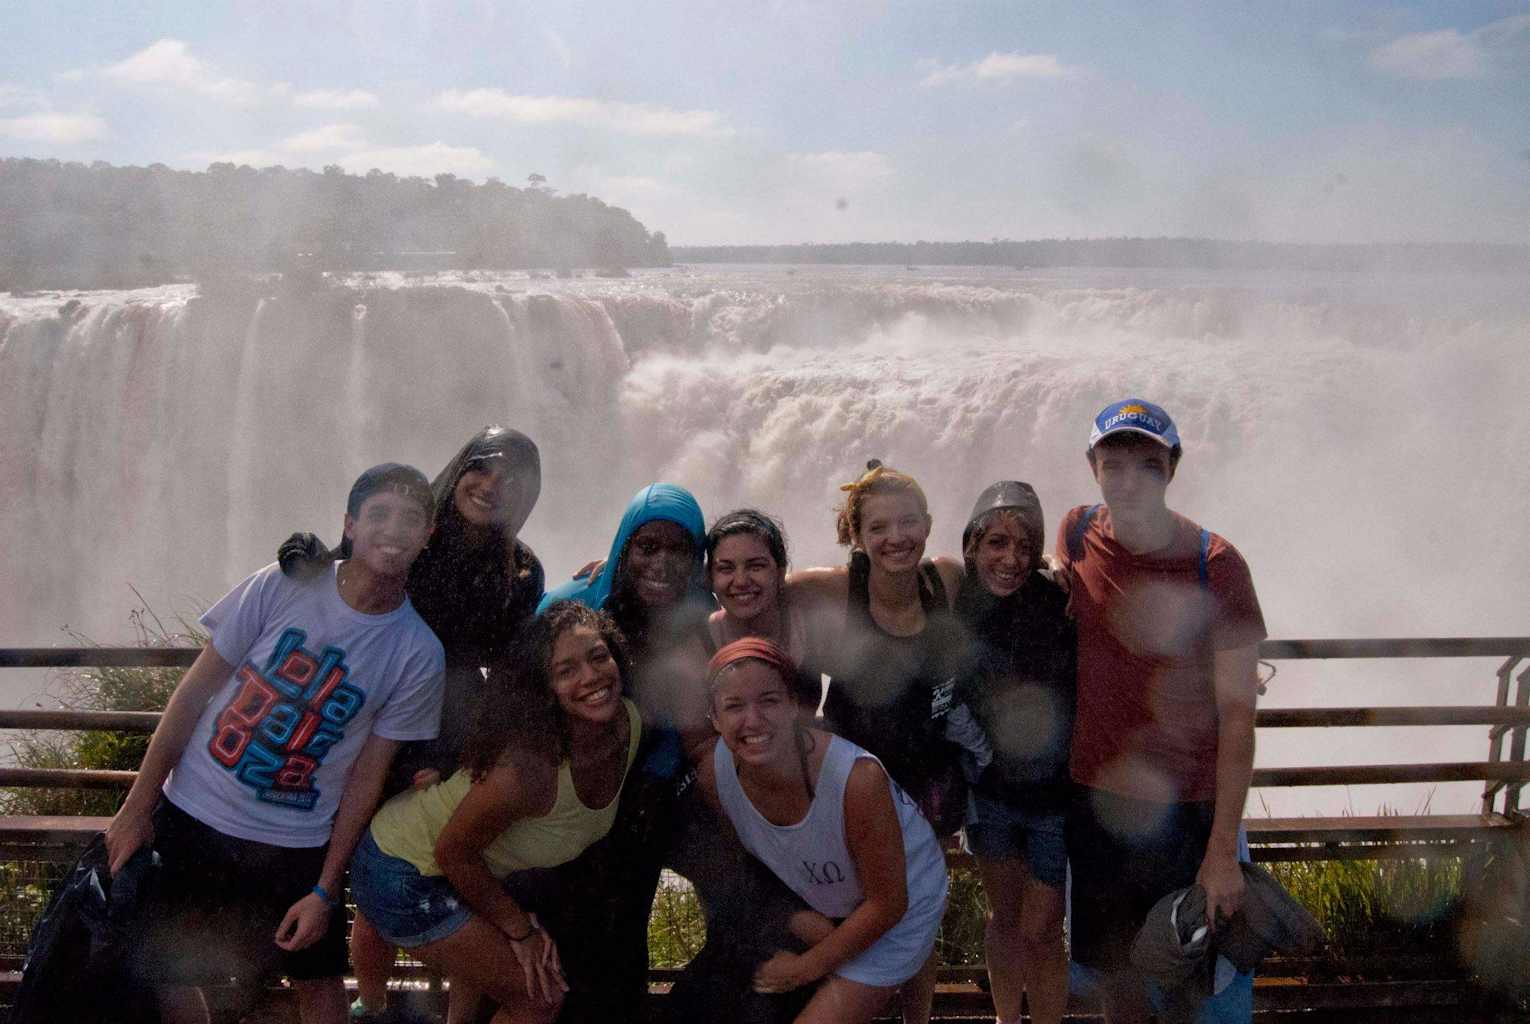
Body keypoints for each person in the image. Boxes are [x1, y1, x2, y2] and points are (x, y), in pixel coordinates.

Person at [103, 463, 446, 1024]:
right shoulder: (284, 583)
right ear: (350, 525)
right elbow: (193, 693)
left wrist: (327, 888)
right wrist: (137, 807)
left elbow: (367, 775)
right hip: (192, 812)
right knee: (168, 969)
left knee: (318, 984)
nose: (394, 528)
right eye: (379, 513)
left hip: (296, 842)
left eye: (412, 518)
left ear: (428, 536)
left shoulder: (417, 652)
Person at [278, 426, 545, 1022]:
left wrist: (465, 752)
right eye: (483, 466)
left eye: (513, 478)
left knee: (456, 873)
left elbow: (505, 668)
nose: (492, 485)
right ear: (460, 468)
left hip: (450, 739)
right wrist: (306, 553)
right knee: (372, 886)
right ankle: (370, 1007)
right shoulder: (418, 536)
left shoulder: (522, 571)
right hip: (373, 728)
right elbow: (357, 569)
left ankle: (454, 1016)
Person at [1057, 399, 1266, 1024]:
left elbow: (1239, 718)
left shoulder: (1217, 565)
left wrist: (1222, 851)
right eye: (1112, 464)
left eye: (1148, 465)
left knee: (1187, 975)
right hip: (1097, 802)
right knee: (1115, 977)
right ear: (1092, 465)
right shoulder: (1074, 531)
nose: (1129, 481)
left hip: (1187, 809)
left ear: (1172, 468)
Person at [349, 602, 642, 1024]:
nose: (592, 677)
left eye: (598, 656)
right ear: (545, 688)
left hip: (453, 871)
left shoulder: (627, 725)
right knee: (539, 998)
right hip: (402, 870)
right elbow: (453, 852)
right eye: (566, 671)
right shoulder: (530, 769)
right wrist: (519, 930)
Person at [790, 461, 965, 1024]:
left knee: (920, 924)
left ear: (929, 523)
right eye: (879, 527)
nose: (896, 538)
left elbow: (1013, 573)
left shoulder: (946, 581)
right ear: (856, 536)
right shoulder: (836, 590)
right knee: (850, 919)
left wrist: (1055, 571)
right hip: (851, 794)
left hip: (929, 784)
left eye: (909, 522)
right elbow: (750, 584)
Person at [696, 638, 949, 1024]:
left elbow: (888, 905)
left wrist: (805, 968)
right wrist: (795, 919)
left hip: (900, 909)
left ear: (795, 705)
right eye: (734, 707)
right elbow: (743, 864)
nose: (753, 720)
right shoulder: (714, 776)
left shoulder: (856, 780)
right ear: (713, 718)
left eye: (769, 701)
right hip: (820, 902)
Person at [538, 482, 713, 1023]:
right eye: (646, 547)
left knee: (626, 921)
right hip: (570, 791)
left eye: (678, 549)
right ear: (622, 549)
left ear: (698, 558)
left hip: (652, 795)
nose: (661, 562)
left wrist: (657, 780)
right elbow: (519, 692)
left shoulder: (709, 617)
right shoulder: (573, 607)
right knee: (562, 924)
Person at [952, 481, 1075, 1024]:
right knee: (1004, 919)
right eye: (997, 543)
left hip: (1054, 798)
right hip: (991, 794)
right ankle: (1006, 1020)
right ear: (972, 545)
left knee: (1043, 928)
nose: (1011, 559)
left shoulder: (1061, 603)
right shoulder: (954, 608)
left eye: (1025, 547)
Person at [705, 508, 827, 710]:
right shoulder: (700, 643)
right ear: (710, 578)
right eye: (726, 568)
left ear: (780, 574)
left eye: (756, 566)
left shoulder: (814, 632)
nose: (741, 581)